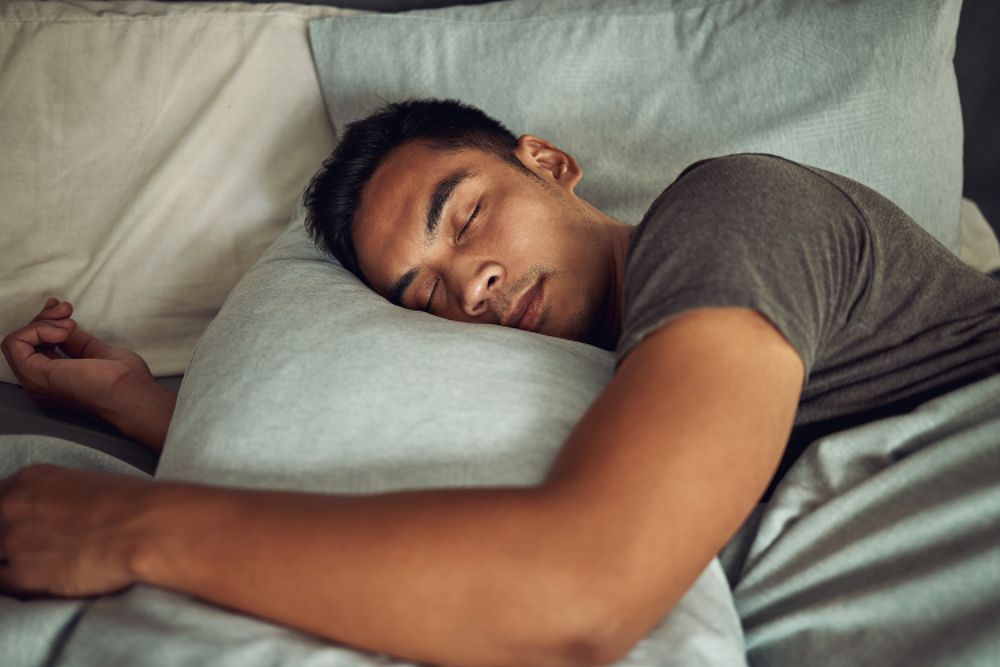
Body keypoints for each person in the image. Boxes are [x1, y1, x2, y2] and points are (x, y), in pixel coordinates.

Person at [2, 98, 999, 667]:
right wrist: (141, 407)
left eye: (466, 216)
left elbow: (584, 588)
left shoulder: (722, 214)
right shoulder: (601, 362)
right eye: (420, 290)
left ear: (550, 162)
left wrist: (123, 528)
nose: (467, 285)